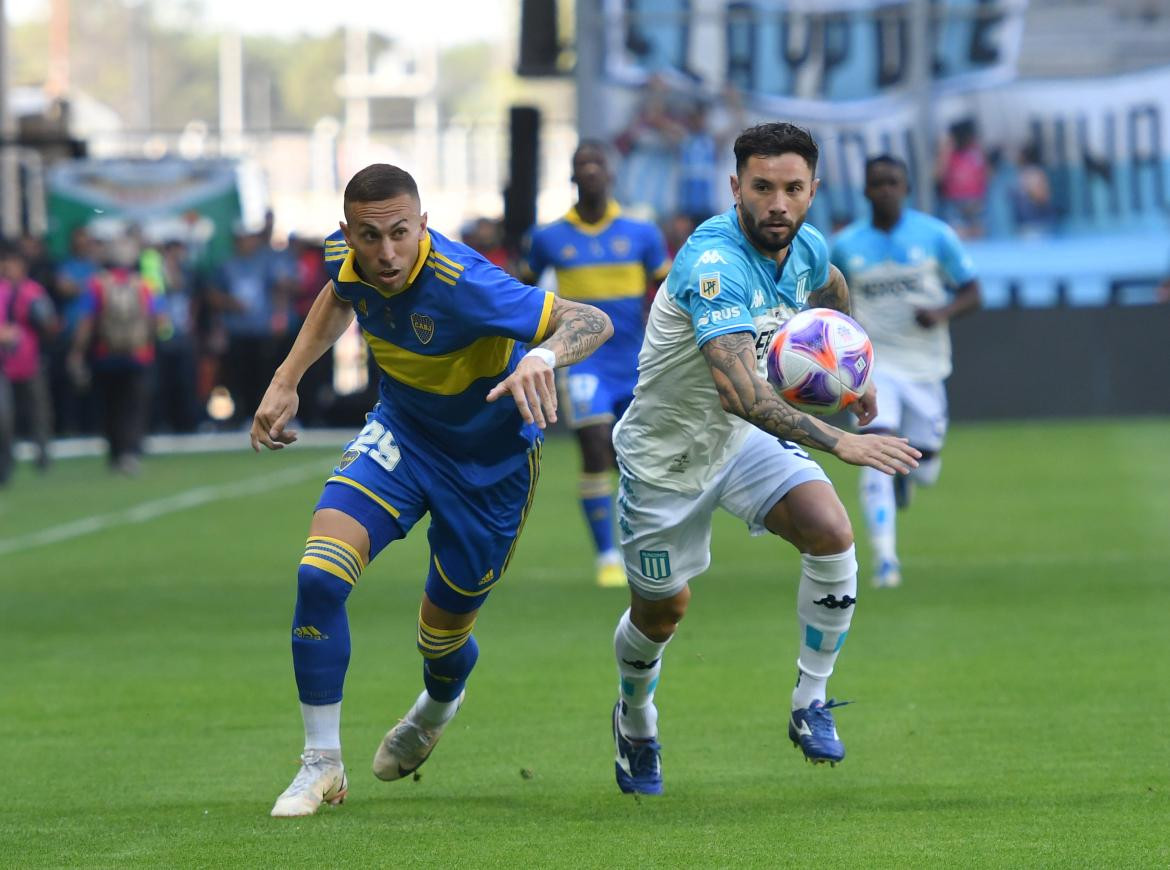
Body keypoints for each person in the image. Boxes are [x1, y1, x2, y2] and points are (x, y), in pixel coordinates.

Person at [257, 164, 612, 818]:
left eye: (399, 233)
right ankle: (321, 765)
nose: (385, 253)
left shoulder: (463, 282)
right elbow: (338, 293)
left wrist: (540, 357)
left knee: (441, 641)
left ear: (423, 225)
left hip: (490, 467)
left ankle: (437, 707)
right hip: (403, 438)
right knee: (319, 577)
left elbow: (590, 322)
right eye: (369, 236)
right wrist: (287, 377)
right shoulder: (347, 258)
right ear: (347, 233)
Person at [607, 123, 920, 795]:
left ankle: (811, 700)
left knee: (832, 531)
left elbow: (831, 285)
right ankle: (635, 720)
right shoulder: (713, 266)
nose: (778, 203)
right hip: (667, 458)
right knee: (662, 613)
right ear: (735, 188)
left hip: (737, 442)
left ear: (812, 190)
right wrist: (841, 440)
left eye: (793, 188)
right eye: (762, 188)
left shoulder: (804, 245)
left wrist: (854, 364)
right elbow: (742, 392)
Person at [525, 142, 671, 588]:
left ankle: (643, 543)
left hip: (636, 360)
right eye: (581, 165)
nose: (589, 171)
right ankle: (606, 555)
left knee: (640, 456)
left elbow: (666, 291)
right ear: (571, 177)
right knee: (593, 445)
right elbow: (526, 294)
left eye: (597, 164)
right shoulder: (549, 238)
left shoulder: (642, 233)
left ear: (610, 174)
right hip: (584, 362)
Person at [831, 155, 981, 588]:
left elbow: (973, 291)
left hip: (925, 367)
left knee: (926, 463)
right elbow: (827, 298)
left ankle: (909, 479)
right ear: (865, 190)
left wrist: (943, 311)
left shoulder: (936, 236)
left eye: (892, 182)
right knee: (876, 454)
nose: (885, 190)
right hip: (872, 369)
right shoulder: (846, 245)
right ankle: (885, 560)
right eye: (876, 183)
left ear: (906, 186)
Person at [0, 243, 57, 477]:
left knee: (38, 412)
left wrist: (41, 320)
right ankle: (5, 464)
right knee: (4, 417)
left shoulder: (33, 291)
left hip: (30, 361)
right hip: (3, 364)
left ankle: (43, 456)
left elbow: (49, 324)